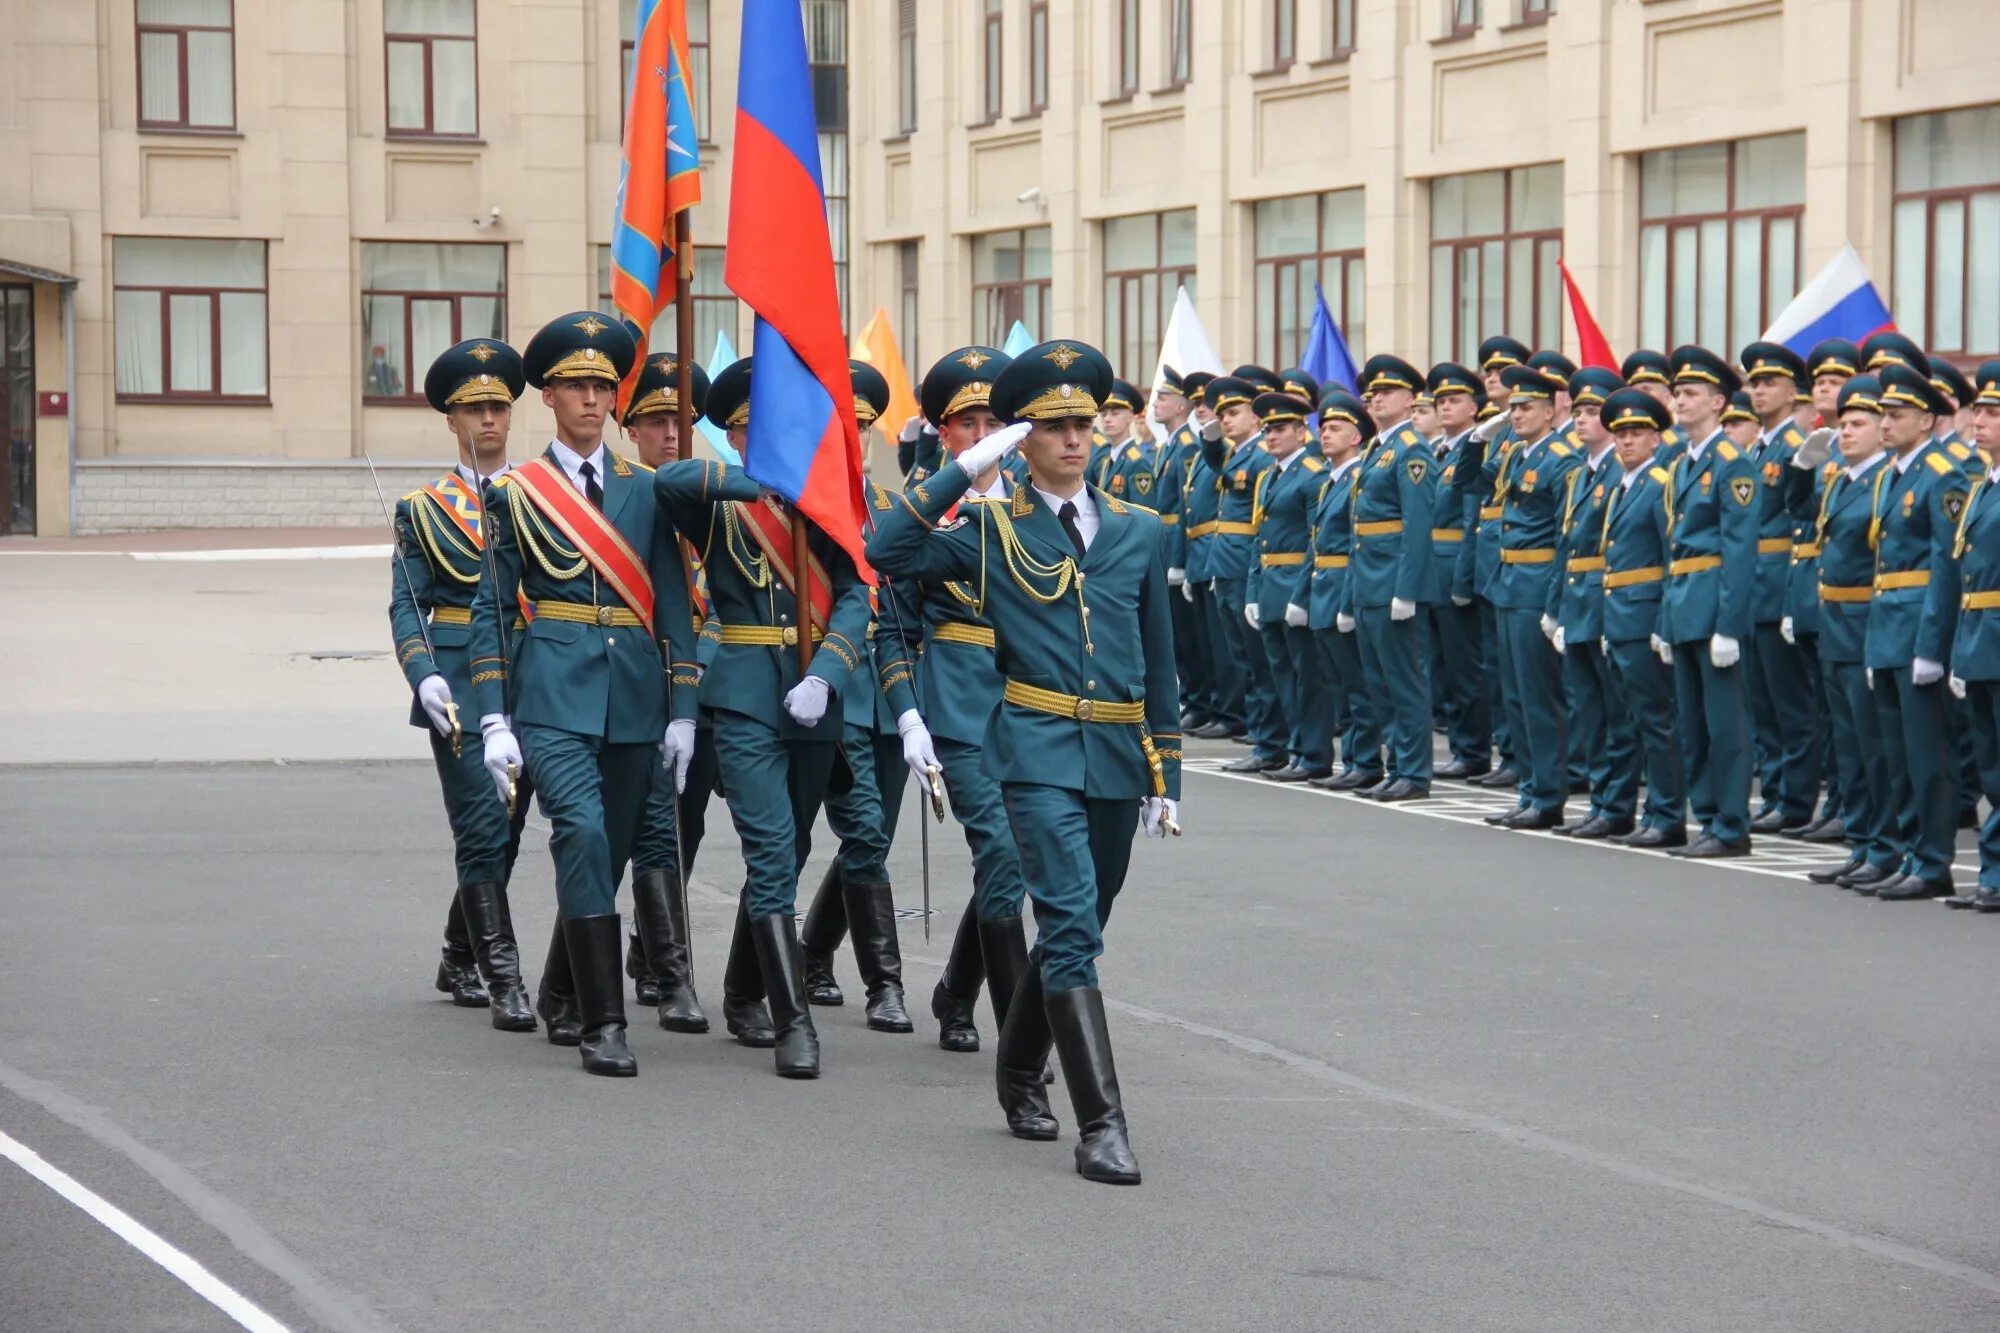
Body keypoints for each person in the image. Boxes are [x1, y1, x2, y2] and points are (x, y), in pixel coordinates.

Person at [868, 338, 1179, 1188]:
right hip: (1034, 751)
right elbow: (887, 549)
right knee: (1070, 919)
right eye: (1052, 426)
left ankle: (1017, 1064)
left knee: (1088, 919)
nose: (1074, 439)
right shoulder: (991, 529)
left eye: (1084, 423)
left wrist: (1167, 775)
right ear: (1022, 438)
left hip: (1117, 752)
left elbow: (1159, 661)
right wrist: (962, 465)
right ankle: (1103, 1125)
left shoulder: (1139, 532)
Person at [469, 312, 700, 1077]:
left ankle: (563, 987)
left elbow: (672, 603)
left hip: (635, 696)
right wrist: (494, 714)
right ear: (549, 396)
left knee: (611, 850)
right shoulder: (518, 493)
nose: (594, 400)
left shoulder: (648, 490)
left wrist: (684, 711)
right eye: (578, 386)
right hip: (553, 695)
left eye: (604, 386)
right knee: (583, 833)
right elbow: (494, 610)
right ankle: (606, 1021)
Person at [649, 358, 875, 1077]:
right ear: (737, 434)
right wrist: (764, 476)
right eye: (754, 427)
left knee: (798, 845)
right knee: (771, 848)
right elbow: (668, 482)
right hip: (744, 694)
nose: (770, 436)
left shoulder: (831, 503)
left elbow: (854, 594)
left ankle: (745, 986)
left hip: (813, 697)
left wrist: (829, 669)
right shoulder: (722, 499)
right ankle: (793, 1019)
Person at [878, 346, 1036, 1055]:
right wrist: (909, 713)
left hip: (1034, 703)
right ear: (943, 435)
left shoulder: (1036, 507)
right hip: (961, 702)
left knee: (1020, 860)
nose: (980, 434)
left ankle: (955, 989)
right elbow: (893, 624)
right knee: (1001, 851)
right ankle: (1020, 1037)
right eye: (965, 423)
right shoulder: (924, 515)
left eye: (992, 420)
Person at [390, 338, 538, 1031]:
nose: (489, 419)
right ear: (450, 419)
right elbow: (407, 605)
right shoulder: (421, 510)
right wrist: (423, 678)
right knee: (482, 822)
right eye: (474, 408)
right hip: (459, 686)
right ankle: (502, 974)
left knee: (507, 830)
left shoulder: (539, 497)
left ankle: (458, 951)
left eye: (499, 407)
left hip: (534, 676)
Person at [796, 362, 917, 1036]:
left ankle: (813, 954)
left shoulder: (898, 511)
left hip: (893, 698)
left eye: (863, 426)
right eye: (842, 427)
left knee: (869, 841)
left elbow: (911, 608)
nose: (856, 439)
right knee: (864, 832)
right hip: (832, 690)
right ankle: (885, 984)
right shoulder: (805, 516)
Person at [611, 351, 713, 1033]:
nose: (670, 437)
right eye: (655, 422)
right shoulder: (616, 503)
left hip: (707, 683)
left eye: (681, 422)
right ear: (631, 429)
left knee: (687, 825)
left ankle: (653, 951)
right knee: (626, 830)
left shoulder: (710, 500)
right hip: (633, 681)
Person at [1863, 361, 1968, 900]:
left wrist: (1932, 646)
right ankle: (1908, 851)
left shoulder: (1945, 471)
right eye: (1882, 414)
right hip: (1886, 625)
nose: (1884, 423)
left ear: (1926, 420)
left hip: (1919, 628)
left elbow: (1945, 564)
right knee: (1895, 754)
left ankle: (1933, 861)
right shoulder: (1892, 472)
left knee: (1929, 756)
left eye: (1896, 414)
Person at [1658, 345, 1759, 858]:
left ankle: (1732, 824)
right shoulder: (1681, 465)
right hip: (1683, 605)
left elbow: (1740, 552)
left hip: (1713, 605)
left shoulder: (1731, 464)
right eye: (1677, 392)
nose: (1681, 401)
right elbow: (1672, 550)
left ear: (1718, 402)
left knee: (1724, 727)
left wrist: (1729, 625)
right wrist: (1664, 620)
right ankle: (1709, 818)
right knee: (1693, 726)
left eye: (1691, 393)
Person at [1803, 375, 1902, 892]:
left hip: (1868, 619)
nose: (1846, 433)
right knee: (1848, 746)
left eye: (1858, 424)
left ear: (1883, 431)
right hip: (1836, 622)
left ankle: (1885, 847)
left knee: (1875, 746)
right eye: (1843, 424)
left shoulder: (1885, 481)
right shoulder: (1838, 479)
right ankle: (1862, 842)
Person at [1482, 362, 1579, 829]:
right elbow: (1471, 482)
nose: (1515, 415)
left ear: (1550, 410)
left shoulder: (1561, 457)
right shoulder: (1517, 455)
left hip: (1536, 586)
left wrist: (1556, 605)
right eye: (1513, 407)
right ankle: (1529, 788)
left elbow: (1566, 536)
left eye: (1525, 408)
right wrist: (1485, 438)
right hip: (1508, 583)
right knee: (1516, 695)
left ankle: (1547, 794)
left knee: (1540, 697)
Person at [1342, 354, 1439, 800]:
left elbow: (1418, 527)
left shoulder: (1411, 450)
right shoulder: (1378, 450)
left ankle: (1415, 773)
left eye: (1386, 393)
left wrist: (1408, 589)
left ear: (1408, 399)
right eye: (1372, 394)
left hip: (1392, 582)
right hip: (1368, 581)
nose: (1376, 400)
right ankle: (1396, 765)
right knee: (1380, 684)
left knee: (1405, 681)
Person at [1547, 366, 1636, 839]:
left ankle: (1618, 803)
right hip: (1578, 602)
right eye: (1577, 410)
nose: (1581, 419)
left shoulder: (1623, 472)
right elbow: (1566, 547)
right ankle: (1602, 800)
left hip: (1607, 601)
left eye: (1592, 411)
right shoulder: (1581, 473)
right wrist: (1556, 607)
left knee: (1615, 712)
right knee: (1588, 710)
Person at [1596, 388, 1687, 847]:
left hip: (1644, 613)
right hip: (1619, 615)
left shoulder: (1659, 485)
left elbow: (1671, 557)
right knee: (1626, 720)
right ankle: (1623, 808)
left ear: (1657, 440)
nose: (1626, 442)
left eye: (1637, 434)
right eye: (1620, 435)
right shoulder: (1623, 485)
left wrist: (1662, 624)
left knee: (1656, 720)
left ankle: (1667, 814)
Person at [1737, 342, 1821, 835]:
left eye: (1770, 383)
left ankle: (1795, 799)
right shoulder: (1756, 447)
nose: (1760, 390)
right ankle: (1774, 792)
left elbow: (1803, 525)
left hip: (1779, 584)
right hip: (1753, 587)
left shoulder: (1798, 447)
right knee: (1763, 704)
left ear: (1794, 392)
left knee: (1791, 706)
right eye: (1755, 383)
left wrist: (1792, 595)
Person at [1203, 374, 1286, 773]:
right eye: (1223, 415)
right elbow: (1213, 460)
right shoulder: (1238, 455)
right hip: (1227, 563)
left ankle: (1271, 741)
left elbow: (1258, 522)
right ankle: (1263, 737)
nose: (1228, 421)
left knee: (1258, 661)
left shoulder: (1260, 457)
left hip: (1244, 565)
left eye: (1234, 413)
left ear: (1257, 417)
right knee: (1244, 659)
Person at [1251, 384, 1330, 781]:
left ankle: (1313, 754)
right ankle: (1294, 749)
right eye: (1267, 429)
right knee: (1282, 676)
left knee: (1307, 678)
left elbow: (1317, 539)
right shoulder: (1270, 475)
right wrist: (1252, 592)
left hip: (1296, 585)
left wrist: (1302, 595)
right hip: (1269, 586)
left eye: (1281, 428)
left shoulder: (1313, 475)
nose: (1272, 435)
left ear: (1303, 432)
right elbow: (1259, 536)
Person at [1305, 391, 1380, 791]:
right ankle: (1352, 759)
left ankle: (1366, 760)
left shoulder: (1355, 479)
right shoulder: (1329, 481)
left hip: (1343, 587)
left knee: (1356, 683)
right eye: (1323, 429)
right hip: (1323, 587)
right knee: (1338, 683)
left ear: (1356, 437)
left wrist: (1347, 600)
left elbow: (1355, 542)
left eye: (1335, 429)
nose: (1325, 435)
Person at [1947, 360, 2000, 911]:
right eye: (1978, 411)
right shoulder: (1985, 484)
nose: (1978, 421)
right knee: (1992, 770)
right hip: (1980, 637)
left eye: (1991, 413)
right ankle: (1993, 874)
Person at [1470, 335, 1531, 791]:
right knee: (1498, 668)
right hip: (1494, 557)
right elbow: (1469, 485)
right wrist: (1477, 439)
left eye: (1504, 373)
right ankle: (1510, 752)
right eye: (1489, 373)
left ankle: (1526, 759)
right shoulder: (1498, 430)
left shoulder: (1528, 435)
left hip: (1523, 563)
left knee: (1527, 674)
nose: (1494, 378)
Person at [1427, 362, 1491, 779]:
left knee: (1465, 669)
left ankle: (1472, 750)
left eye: (1455, 400)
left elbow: (1472, 521)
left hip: (1454, 571)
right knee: (1441, 667)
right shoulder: (1435, 450)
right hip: (1431, 571)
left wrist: (1464, 579)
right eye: (1441, 401)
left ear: (1474, 408)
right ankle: (1458, 744)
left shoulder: (1474, 448)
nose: (1446, 407)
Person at [1179, 373, 1242, 741]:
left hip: (1230, 557)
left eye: (1215, 406)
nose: (1204, 410)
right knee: (1210, 644)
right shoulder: (1215, 452)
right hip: (1208, 555)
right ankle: (1220, 707)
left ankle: (1233, 711)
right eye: (1200, 405)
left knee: (1228, 647)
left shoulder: (1244, 454)